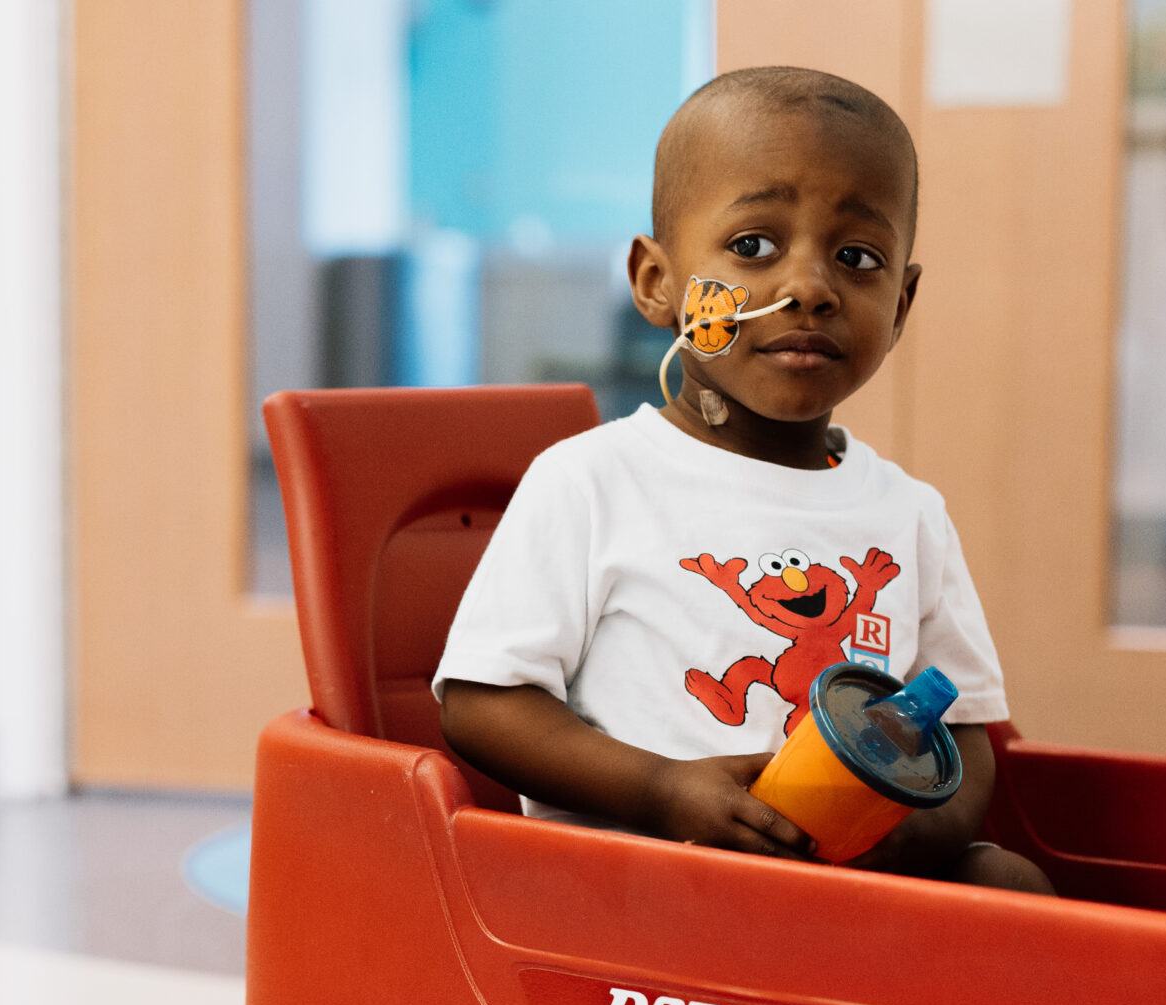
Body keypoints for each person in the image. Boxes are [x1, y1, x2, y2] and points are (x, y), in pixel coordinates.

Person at [435, 65, 1053, 894]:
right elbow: (482, 704)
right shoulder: (592, 481)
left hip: (842, 888)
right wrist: (661, 790)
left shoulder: (909, 515)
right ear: (659, 283)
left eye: (858, 257)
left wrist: (916, 838)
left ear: (901, 304)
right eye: (753, 246)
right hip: (645, 887)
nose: (808, 289)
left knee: (1009, 883)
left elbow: (964, 729)